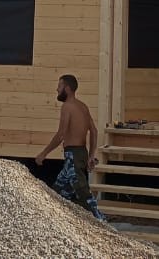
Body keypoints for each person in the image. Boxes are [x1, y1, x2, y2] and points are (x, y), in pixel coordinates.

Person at [34, 74, 105, 220]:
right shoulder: (83, 107)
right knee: (57, 192)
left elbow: (61, 135)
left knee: (83, 192)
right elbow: (94, 131)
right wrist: (91, 155)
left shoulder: (67, 107)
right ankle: (52, 220)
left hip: (73, 156)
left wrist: (43, 153)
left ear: (67, 88)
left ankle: (101, 221)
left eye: (59, 86)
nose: (57, 89)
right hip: (80, 154)